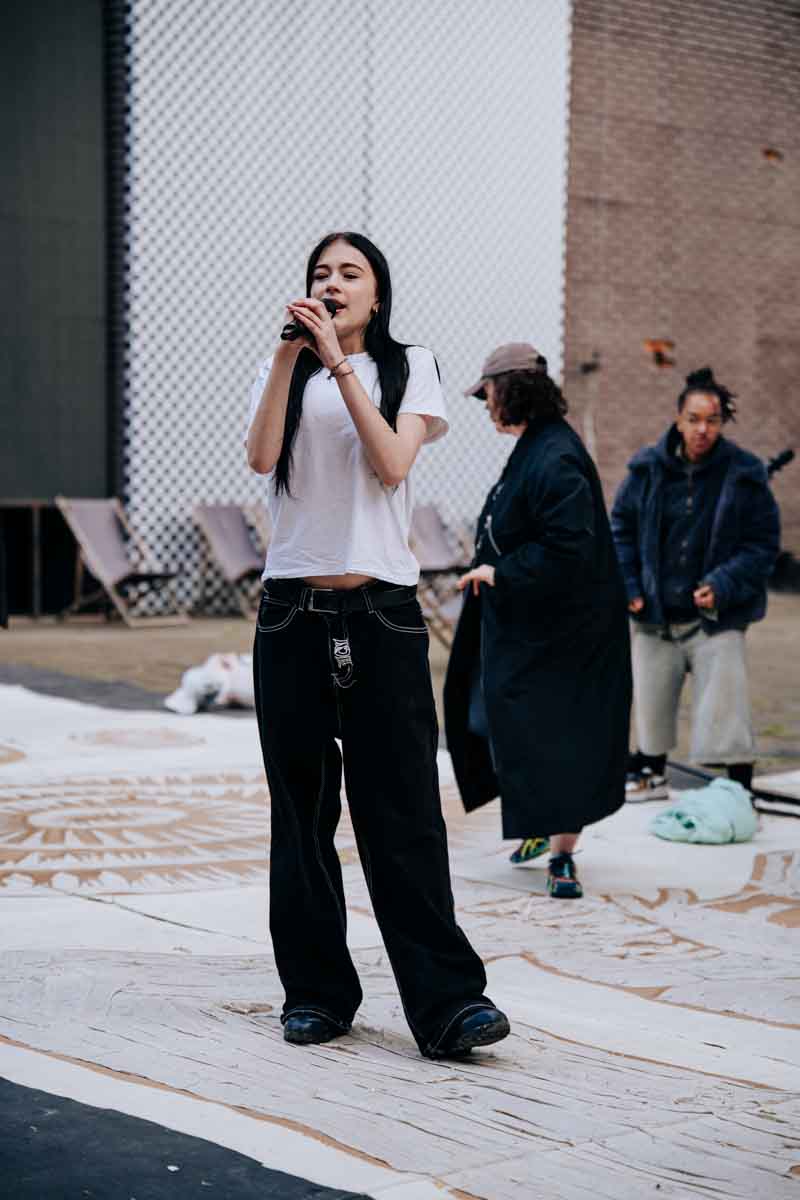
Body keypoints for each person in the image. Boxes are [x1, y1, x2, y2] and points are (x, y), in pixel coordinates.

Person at [246, 231, 509, 1058]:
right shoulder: (283, 370)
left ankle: (448, 1003)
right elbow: (261, 457)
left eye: (349, 273)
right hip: (290, 614)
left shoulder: (408, 366)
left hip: (382, 615)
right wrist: (291, 359)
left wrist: (340, 363)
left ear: (377, 295)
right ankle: (316, 994)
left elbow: (392, 463)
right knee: (301, 815)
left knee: (402, 813)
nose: (332, 283)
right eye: (321, 273)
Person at [444, 344, 632, 899]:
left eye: (488, 394)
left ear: (511, 390)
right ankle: (537, 821)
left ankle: (562, 855)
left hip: (569, 637)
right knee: (497, 723)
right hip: (531, 627)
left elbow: (570, 547)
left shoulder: (556, 456)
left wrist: (500, 572)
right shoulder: (536, 445)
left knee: (562, 741)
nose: (485, 405)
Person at [611, 367, 780, 800]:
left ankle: (738, 786)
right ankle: (650, 771)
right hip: (654, 614)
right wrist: (630, 586)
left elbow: (762, 545)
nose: (703, 429)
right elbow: (621, 529)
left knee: (727, 704)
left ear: (722, 423)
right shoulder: (646, 469)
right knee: (650, 702)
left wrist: (723, 584)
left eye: (712, 420)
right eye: (694, 419)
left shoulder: (744, 473)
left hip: (716, 617)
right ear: (678, 418)